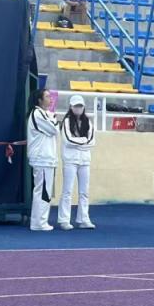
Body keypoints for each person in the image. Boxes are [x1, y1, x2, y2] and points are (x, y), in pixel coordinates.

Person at [57, 94, 95, 231]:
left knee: (84, 192)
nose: (78, 108)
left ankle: (84, 219)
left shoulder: (88, 121)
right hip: (70, 160)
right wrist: (83, 141)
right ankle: (64, 220)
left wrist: (79, 143)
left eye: (80, 106)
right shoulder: (66, 121)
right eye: (76, 106)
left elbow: (92, 142)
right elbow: (67, 140)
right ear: (71, 107)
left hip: (85, 161)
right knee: (67, 191)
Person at [27, 89, 59, 232]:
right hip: (42, 159)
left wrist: (53, 118)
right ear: (39, 100)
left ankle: (39, 221)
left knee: (42, 191)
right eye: (47, 96)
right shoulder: (37, 113)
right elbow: (54, 129)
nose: (50, 99)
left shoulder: (45, 114)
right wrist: (55, 119)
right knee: (43, 191)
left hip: (46, 159)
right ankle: (39, 222)